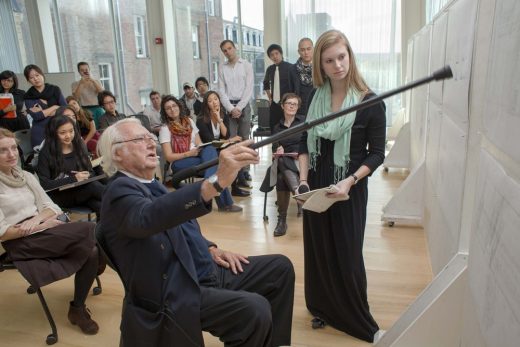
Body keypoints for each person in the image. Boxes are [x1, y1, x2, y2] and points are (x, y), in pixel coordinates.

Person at [96, 118, 295, 347]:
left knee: (280, 268)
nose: (152, 144)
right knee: (254, 310)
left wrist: (210, 247)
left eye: (150, 138)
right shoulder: (118, 192)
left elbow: (179, 224)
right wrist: (215, 183)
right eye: (140, 139)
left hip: (204, 268)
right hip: (180, 287)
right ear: (117, 153)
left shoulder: (151, 184)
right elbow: (150, 217)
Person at [297, 30, 386, 343]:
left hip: (349, 186)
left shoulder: (370, 102)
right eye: (329, 60)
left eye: (342, 57)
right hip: (317, 183)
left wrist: (350, 180)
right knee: (319, 247)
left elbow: (376, 153)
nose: (337, 65)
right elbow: (303, 142)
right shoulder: (315, 96)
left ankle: (357, 317)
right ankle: (322, 306)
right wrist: (304, 180)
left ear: (350, 55)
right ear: (320, 65)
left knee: (347, 252)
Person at [0, 127, 100, 335]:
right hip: (21, 241)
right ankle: (112, 267)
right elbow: (3, 232)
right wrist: (41, 225)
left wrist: (39, 219)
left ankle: (77, 309)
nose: (11, 154)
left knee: (92, 252)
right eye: (3, 150)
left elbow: (51, 207)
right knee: (92, 228)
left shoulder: (25, 176)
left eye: (13, 148)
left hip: (43, 230)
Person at [159, 95, 242, 212]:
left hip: (197, 156)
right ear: (165, 112)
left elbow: (199, 143)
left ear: (179, 106)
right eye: (168, 108)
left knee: (209, 148)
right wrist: (189, 153)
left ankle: (210, 185)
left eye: (174, 106)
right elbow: (168, 156)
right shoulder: (165, 129)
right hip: (180, 162)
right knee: (216, 165)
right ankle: (224, 203)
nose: (172, 109)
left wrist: (198, 149)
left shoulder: (189, 121)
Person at [36, 113, 104, 221]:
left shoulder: (78, 145)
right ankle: (120, 200)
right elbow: (45, 185)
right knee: (93, 186)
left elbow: (91, 171)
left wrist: (85, 175)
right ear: (54, 133)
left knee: (101, 206)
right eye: (63, 133)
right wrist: (73, 179)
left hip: (82, 190)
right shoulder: (46, 153)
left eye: (71, 131)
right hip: (59, 195)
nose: (68, 135)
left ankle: (103, 234)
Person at [269, 93, 305, 237]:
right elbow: (274, 148)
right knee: (281, 163)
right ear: (283, 106)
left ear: (298, 107)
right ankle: (299, 195)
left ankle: (282, 220)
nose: (291, 106)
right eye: (289, 103)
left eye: (295, 104)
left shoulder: (303, 121)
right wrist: (278, 150)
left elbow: (311, 142)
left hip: (303, 161)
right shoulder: (277, 127)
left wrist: (301, 152)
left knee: (281, 177)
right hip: (286, 162)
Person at [218, 40, 254, 183]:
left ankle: (245, 171)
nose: (228, 52)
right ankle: (235, 171)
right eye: (225, 50)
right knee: (232, 140)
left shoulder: (246, 65)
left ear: (235, 48)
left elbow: (249, 88)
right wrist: (231, 109)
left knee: (245, 139)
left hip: (243, 106)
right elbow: (221, 90)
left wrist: (239, 108)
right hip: (229, 107)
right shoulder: (222, 67)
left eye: (229, 48)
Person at [23, 64, 66, 147]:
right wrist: (55, 107)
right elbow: (37, 116)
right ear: (28, 80)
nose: (35, 79)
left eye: (37, 75)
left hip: (58, 127)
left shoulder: (54, 89)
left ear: (42, 75)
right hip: (40, 132)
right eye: (31, 77)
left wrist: (44, 112)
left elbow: (64, 108)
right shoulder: (28, 96)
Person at [263, 44, 298, 132]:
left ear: (281, 54)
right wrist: (270, 97)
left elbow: (295, 85)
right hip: (274, 104)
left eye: (277, 53)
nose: (275, 56)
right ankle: (275, 146)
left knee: (287, 127)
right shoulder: (270, 69)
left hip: (287, 103)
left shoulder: (291, 67)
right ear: (270, 57)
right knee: (274, 126)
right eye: (272, 55)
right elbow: (265, 83)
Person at [71, 62, 105, 128]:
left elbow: (102, 92)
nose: (85, 71)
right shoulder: (75, 84)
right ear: (79, 72)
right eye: (82, 70)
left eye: (86, 69)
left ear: (89, 69)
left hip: (98, 108)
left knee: (103, 127)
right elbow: (76, 97)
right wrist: (81, 84)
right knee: (90, 128)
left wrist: (92, 80)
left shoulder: (96, 81)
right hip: (85, 109)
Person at [293, 38, 314, 116]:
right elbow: (291, 92)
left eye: (308, 49)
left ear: (313, 49)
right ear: (299, 52)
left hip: (318, 108)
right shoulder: (292, 69)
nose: (306, 52)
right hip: (300, 111)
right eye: (302, 50)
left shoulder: (320, 67)